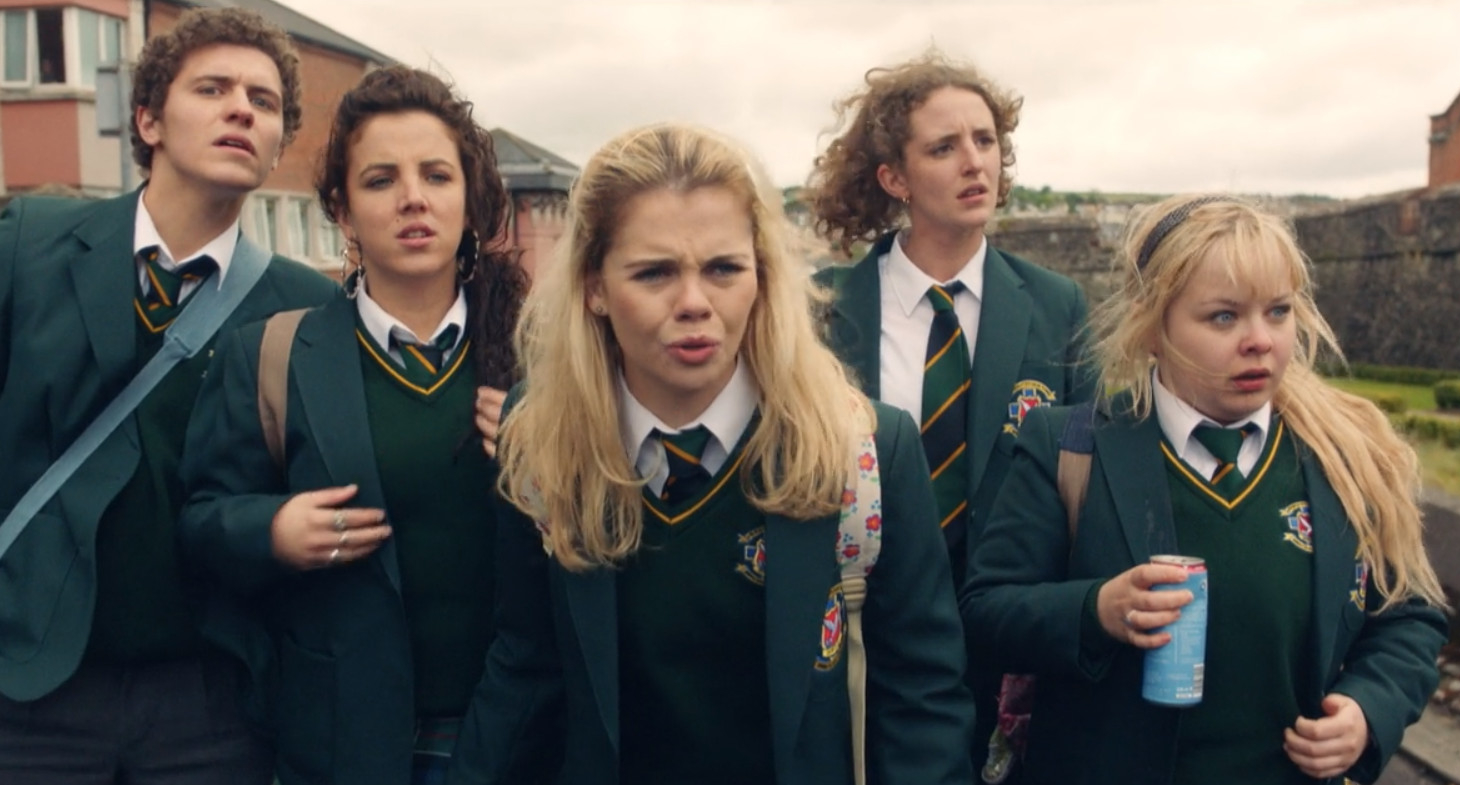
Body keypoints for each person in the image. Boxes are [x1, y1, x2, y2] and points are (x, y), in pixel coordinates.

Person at [449, 123, 973, 785]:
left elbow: (922, 699)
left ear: (762, 274)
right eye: (654, 272)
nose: (694, 303)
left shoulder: (863, 451)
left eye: (724, 268)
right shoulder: (540, 444)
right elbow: (525, 668)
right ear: (595, 287)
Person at [960, 195, 1449, 785]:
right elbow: (987, 613)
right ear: (1152, 328)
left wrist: (1370, 709)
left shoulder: (1348, 456)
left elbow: (1409, 615)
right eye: (1223, 317)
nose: (1259, 340)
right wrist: (1095, 610)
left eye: (1278, 312)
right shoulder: (1067, 446)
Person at [0, 8, 335, 783]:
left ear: (279, 142)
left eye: (264, 101)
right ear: (148, 118)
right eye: (212, 88)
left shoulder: (302, 311)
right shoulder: (29, 244)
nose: (241, 109)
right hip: (27, 691)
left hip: (209, 702)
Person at [177, 65, 527, 785]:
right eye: (380, 180)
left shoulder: (541, 359)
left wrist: (548, 470)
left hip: (514, 738)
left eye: (437, 175)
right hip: (338, 743)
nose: (413, 200)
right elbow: (200, 521)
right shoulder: (272, 353)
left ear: (470, 196)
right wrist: (270, 531)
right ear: (342, 209)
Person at [807, 48, 1095, 779]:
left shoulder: (1058, 307)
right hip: (860, 635)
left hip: (1003, 648)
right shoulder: (821, 307)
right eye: (944, 147)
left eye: (986, 140)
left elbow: (1088, 476)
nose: (976, 162)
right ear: (893, 178)